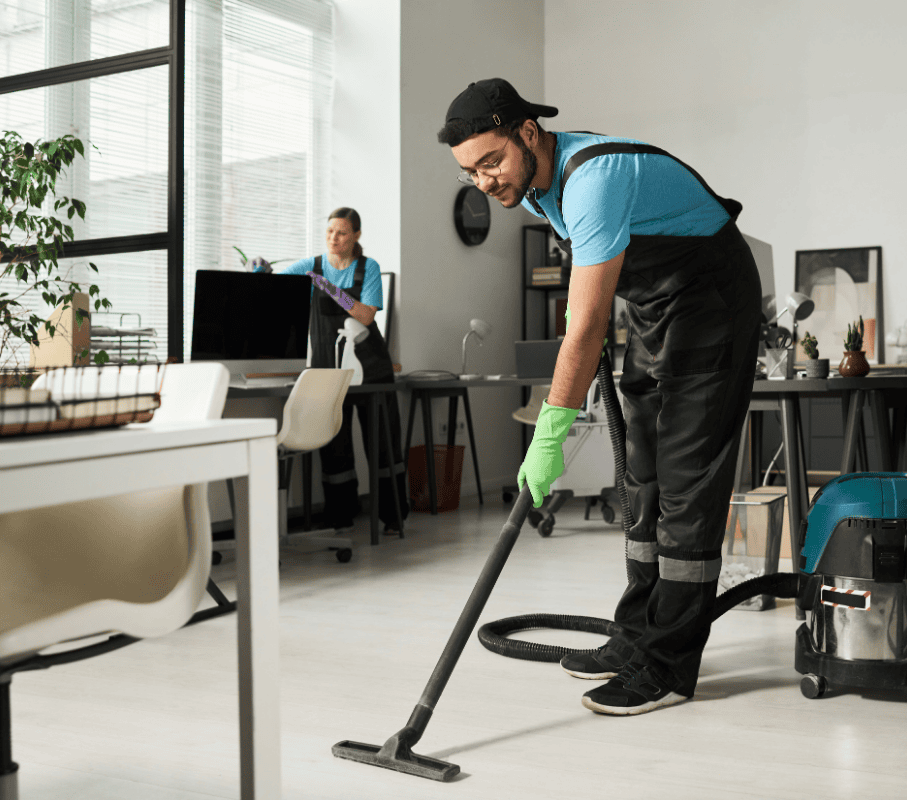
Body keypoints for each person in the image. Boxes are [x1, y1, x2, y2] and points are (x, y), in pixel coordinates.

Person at [437, 79, 762, 716]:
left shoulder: (594, 178)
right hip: (655, 309)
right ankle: (637, 636)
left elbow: (583, 326)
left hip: (713, 304)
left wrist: (550, 431)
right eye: (471, 171)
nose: (485, 182)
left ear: (529, 133)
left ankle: (667, 665)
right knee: (640, 477)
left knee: (685, 483)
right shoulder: (537, 189)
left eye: (492, 161)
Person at [259, 207, 409, 534]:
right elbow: (275, 289)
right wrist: (260, 270)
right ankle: (341, 514)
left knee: (382, 443)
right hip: (329, 369)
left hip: (370, 369)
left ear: (355, 235)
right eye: (329, 232)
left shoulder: (368, 268)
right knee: (334, 445)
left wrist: (329, 289)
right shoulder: (311, 266)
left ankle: (393, 516)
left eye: (341, 233)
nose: (333, 239)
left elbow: (367, 316)